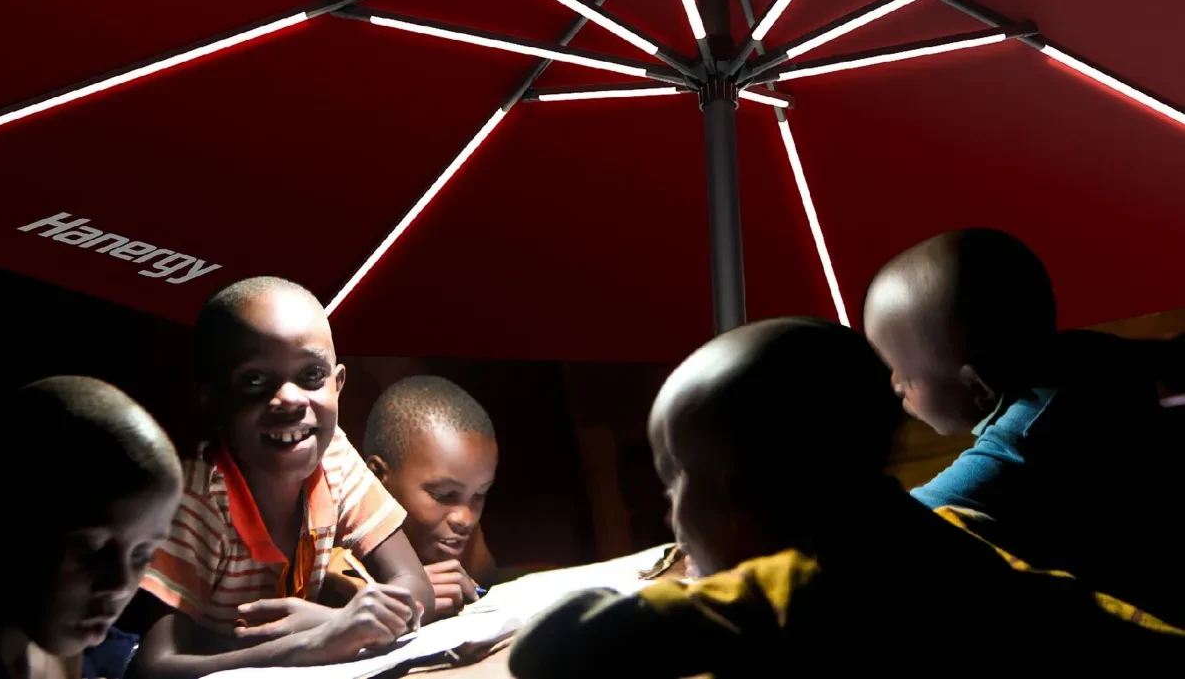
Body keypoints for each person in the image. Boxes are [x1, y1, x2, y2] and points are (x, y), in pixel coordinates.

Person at [507, 318, 1183, 678]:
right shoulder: (951, 531)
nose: (669, 512)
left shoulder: (792, 593)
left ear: (740, 501)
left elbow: (550, 649)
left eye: (673, 483)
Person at [862, 228, 1185, 624]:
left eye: (906, 375)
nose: (894, 384)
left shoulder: (1021, 442)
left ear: (979, 388)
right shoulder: (1088, 351)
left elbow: (907, 522)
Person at [132, 277, 433, 678]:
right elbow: (154, 666)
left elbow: (416, 586)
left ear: (338, 385)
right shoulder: (198, 502)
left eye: (311, 375)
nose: (290, 399)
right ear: (212, 398)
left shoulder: (334, 456)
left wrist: (331, 622)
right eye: (255, 381)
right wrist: (310, 643)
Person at [0, 376, 183, 679]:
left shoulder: (62, 629)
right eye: (91, 548)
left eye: (142, 554)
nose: (121, 583)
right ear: (4, 522)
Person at [362, 375, 499, 616]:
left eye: (480, 494)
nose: (466, 518)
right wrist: (402, 601)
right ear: (377, 477)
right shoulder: (334, 550)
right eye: (444, 495)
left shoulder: (469, 548)